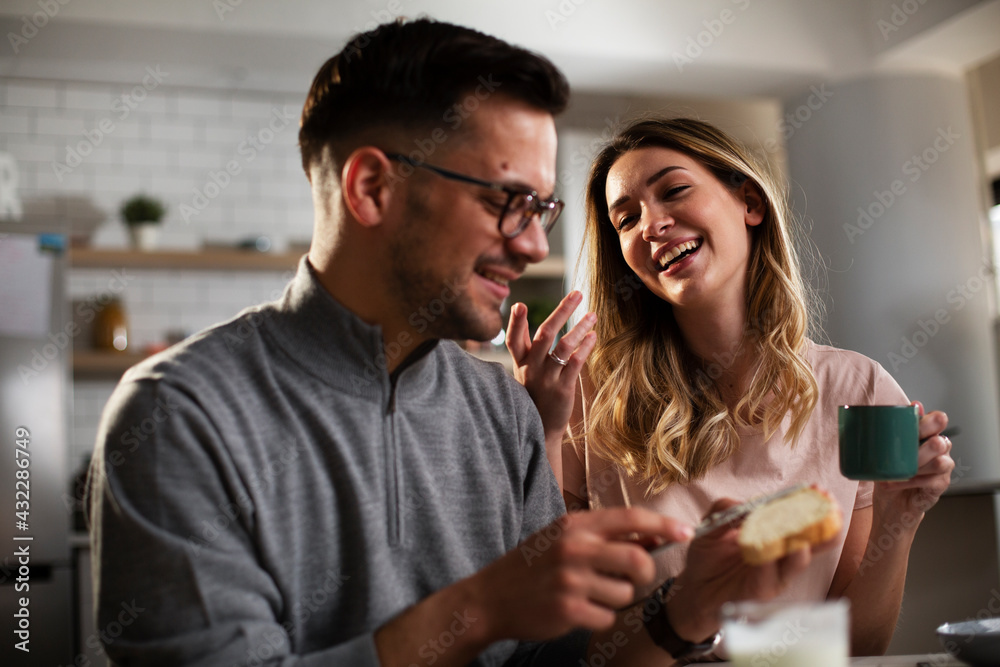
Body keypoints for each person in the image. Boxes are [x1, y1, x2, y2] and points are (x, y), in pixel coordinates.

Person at [86, 23, 826, 667]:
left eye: (541, 207)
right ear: (372, 188)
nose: (534, 242)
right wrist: (474, 612)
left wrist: (686, 608)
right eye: (507, 201)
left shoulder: (501, 412)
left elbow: (555, 663)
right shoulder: (180, 412)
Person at [507, 116, 956, 662]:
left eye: (673, 190)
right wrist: (542, 427)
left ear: (750, 204)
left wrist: (900, 519)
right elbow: (555, 630)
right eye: (625, 219)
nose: (650, 224)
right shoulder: (590, 396)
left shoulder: (856, 388)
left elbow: (857, 649)